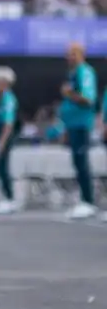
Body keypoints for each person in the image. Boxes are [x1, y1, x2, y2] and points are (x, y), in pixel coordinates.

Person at [57, 42, 98, 220]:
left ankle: (88, 202)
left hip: (81, 124)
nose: (69, 57)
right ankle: (84, 200)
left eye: (73, 54)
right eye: (68, 54)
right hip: (72, 124)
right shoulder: (72, 74)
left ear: (82, 54)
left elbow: (88, 99)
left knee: (82, 163)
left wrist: (69, 94)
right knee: (77, 163)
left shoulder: (85, 72)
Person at [0, 66, 20, 213]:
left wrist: (2, 142)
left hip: (5, 135)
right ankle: (6, 197)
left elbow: (8, 123)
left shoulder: (8, 99)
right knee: (0, 167)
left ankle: (10, 198)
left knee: (3, 166)